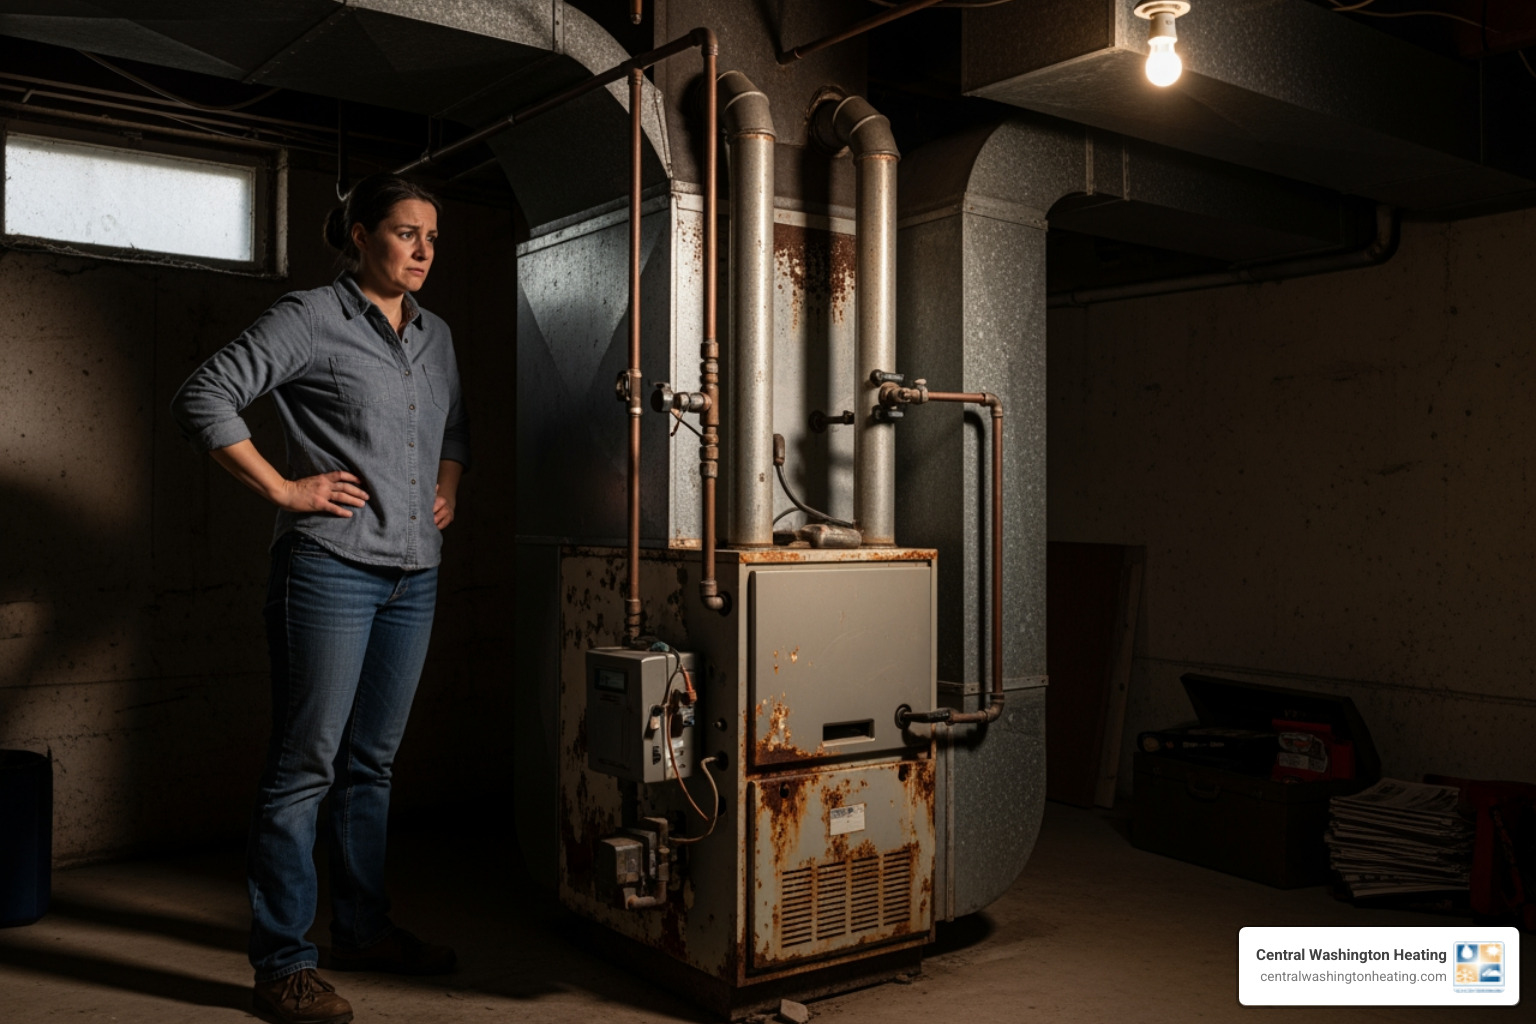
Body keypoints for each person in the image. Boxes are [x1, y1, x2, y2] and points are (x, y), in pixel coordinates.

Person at [172, 173, 469, 1024]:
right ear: (361, 235)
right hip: (331, 568)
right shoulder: (309, 317)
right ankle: (283, 965)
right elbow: (204, 395)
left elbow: (453, 428)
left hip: (415, 573)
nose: (423, 251)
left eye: (433, 237)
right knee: (305, 766)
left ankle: (364, 931)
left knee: (371, 765)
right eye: (406, 233)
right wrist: (283, 489)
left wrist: (446, 487)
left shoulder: (437, 334)